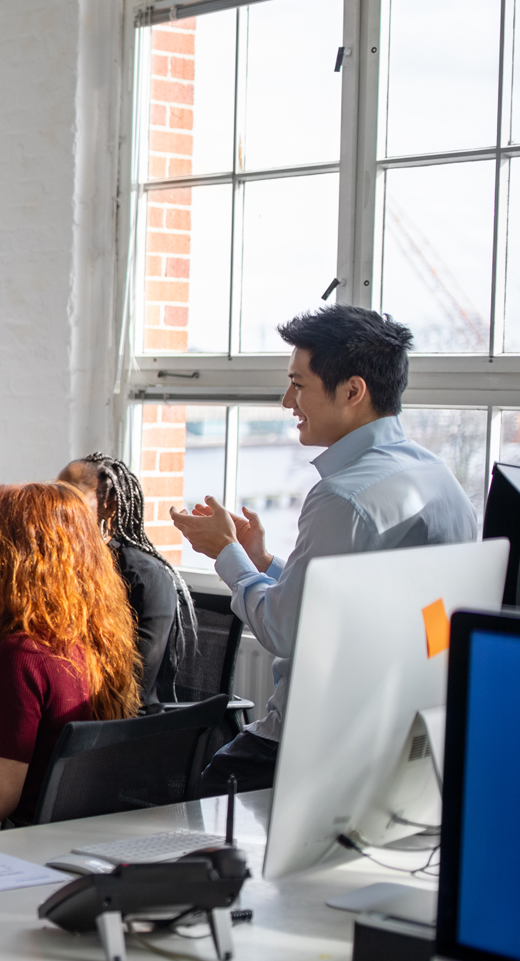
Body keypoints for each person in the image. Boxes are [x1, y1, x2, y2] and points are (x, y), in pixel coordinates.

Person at [171, 305, 477, 793]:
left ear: (353, 391)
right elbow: (351, 597)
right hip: (405, 743)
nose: (287, 400)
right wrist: (263, 563)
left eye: (299, 383)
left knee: (196, 796)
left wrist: (226, 554)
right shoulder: (437, 478)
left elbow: (287, 629)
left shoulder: (344, 497)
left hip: (314, 748)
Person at [0, 482, 140, 825]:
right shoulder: (87, 639)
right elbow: (36, 756)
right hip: (75, 837)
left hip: (21, 846)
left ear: (20, 556)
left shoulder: (22, 654)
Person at [59, 453, 197, 704]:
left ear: (109, 505)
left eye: (70, 496)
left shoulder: (146, 577)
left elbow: (133, 684)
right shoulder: (63, 566)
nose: (58, 505)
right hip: (72, 709)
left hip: (128, 725)